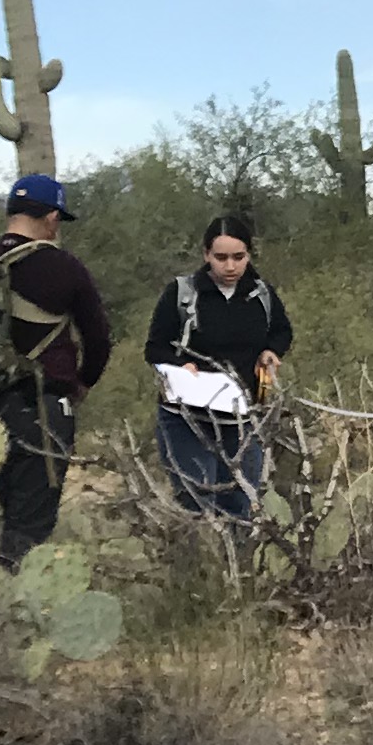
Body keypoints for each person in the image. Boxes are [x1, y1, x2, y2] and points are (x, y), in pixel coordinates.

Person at [0, 175, 114, 564]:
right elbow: (99, 339)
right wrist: (82, 382)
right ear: (52, 217)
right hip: (42, 408)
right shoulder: (63, 266)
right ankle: (11, 608)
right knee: (30, 524)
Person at [139, 212, 294, 521]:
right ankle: (203, 567)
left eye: (239, 256)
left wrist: (271, 351)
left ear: (249, 255)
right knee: (198, 501)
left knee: (244, 504)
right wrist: (180, 365)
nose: (230, 266)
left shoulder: (261, 294)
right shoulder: (182, 294)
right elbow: (155, 348)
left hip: (243, 419)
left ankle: (241, 567)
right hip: (186, 418)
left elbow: (281, 331)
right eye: (221, 257)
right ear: (205, 255)